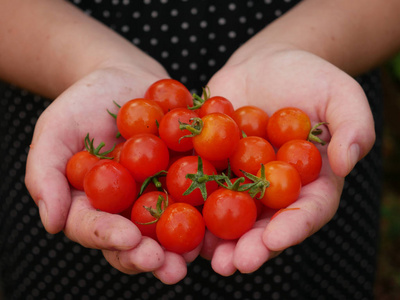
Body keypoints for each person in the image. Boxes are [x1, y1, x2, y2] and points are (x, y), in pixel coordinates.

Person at [0, 0, 399, 299]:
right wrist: (89, 63)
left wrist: (296, 45)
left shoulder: (237, 147)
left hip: (327, 54)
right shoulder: (146, 150)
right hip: (50, 71)